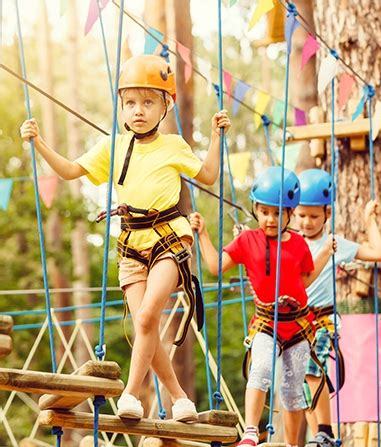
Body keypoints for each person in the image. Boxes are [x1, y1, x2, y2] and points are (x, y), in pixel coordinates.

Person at [20, 54, 231, 421]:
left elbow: (210, 175)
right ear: (121, 105)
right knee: (144, 323)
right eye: (130, 102)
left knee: (148, 313)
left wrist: (215, 137)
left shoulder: (173, 146)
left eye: (148, 102)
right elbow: (70, 171)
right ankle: (180, 398)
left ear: (166, 105)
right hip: (131, 246)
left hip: (170, 238)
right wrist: (38, 143)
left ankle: (131, 394)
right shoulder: (112, 147)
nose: (138, 111)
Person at [190, 166, 334, 447]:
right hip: (266, 323)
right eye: (264, 211)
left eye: (277, 213)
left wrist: (324, 254)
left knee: (294, 391)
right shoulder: (247, 241)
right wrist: (202, 234)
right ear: (255, 209)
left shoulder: (298, 245)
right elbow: (216, 267)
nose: (270, 219)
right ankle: (251, 432)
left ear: (290, 213)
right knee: (260, 372)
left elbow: (305, 279)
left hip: (298, 325)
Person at [294, 168, 381, 447]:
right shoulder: (290, 242)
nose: (307, 222)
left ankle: (324, 431)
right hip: (296, 322)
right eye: (301, 215)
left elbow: (378, 253)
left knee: (311, 371)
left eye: (314, 216)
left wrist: (369, 221)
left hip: (324, 319)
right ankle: (322, 439)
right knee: (297, 381)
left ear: (327, 213)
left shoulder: (334, 243)